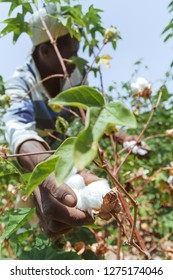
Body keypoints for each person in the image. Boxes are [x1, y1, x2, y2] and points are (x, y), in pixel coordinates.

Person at [3, 3, 99, 238]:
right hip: (29, 156)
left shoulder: (76, 74)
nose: (77, 59)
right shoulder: (20, 83)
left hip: (61, 152)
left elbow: (96, 114)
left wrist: (122, 136)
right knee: (26, 217)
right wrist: (44, 167)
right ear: (46, 50)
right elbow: (16, 127)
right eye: (72, 52)